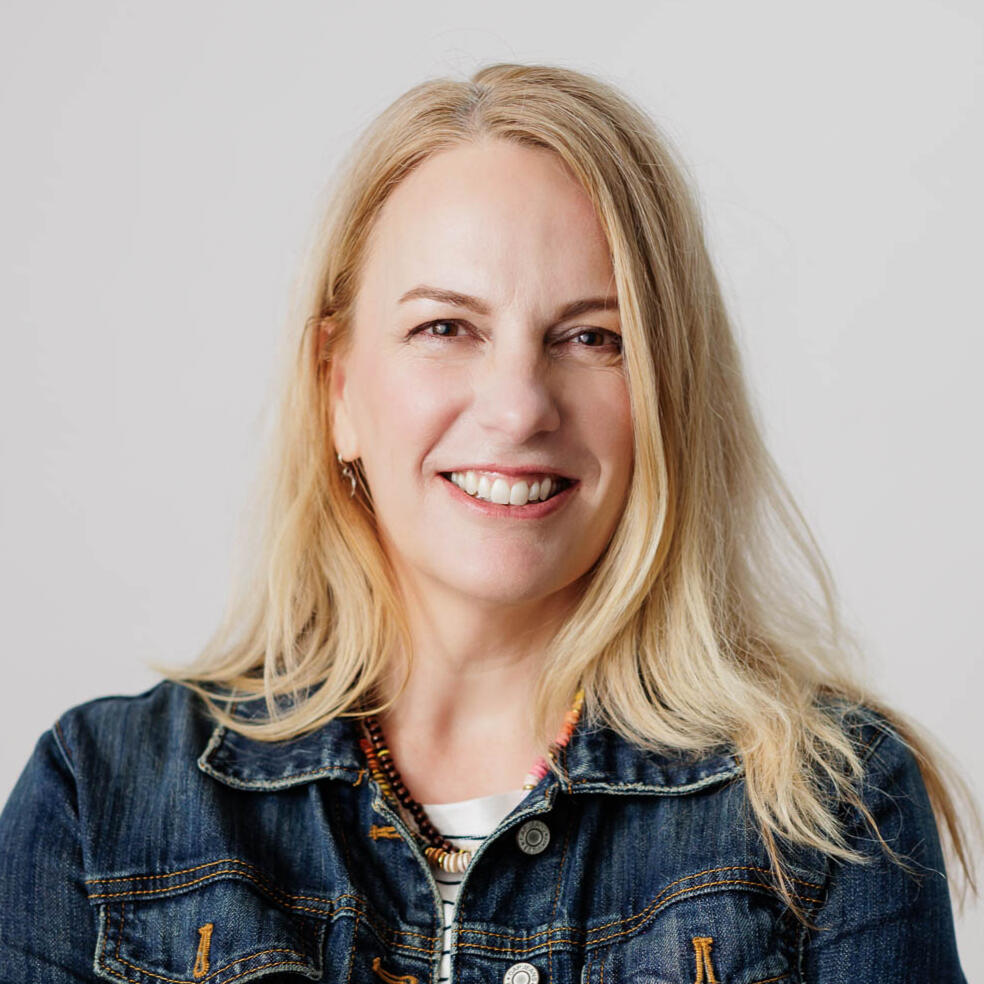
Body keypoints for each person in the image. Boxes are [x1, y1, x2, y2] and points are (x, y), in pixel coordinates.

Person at [0, 62, 978, 983]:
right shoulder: (102, 798)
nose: (518, 407)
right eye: (446, 328)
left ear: (671, 392)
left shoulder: (827, 808)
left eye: (593, 337)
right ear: (336, 385)